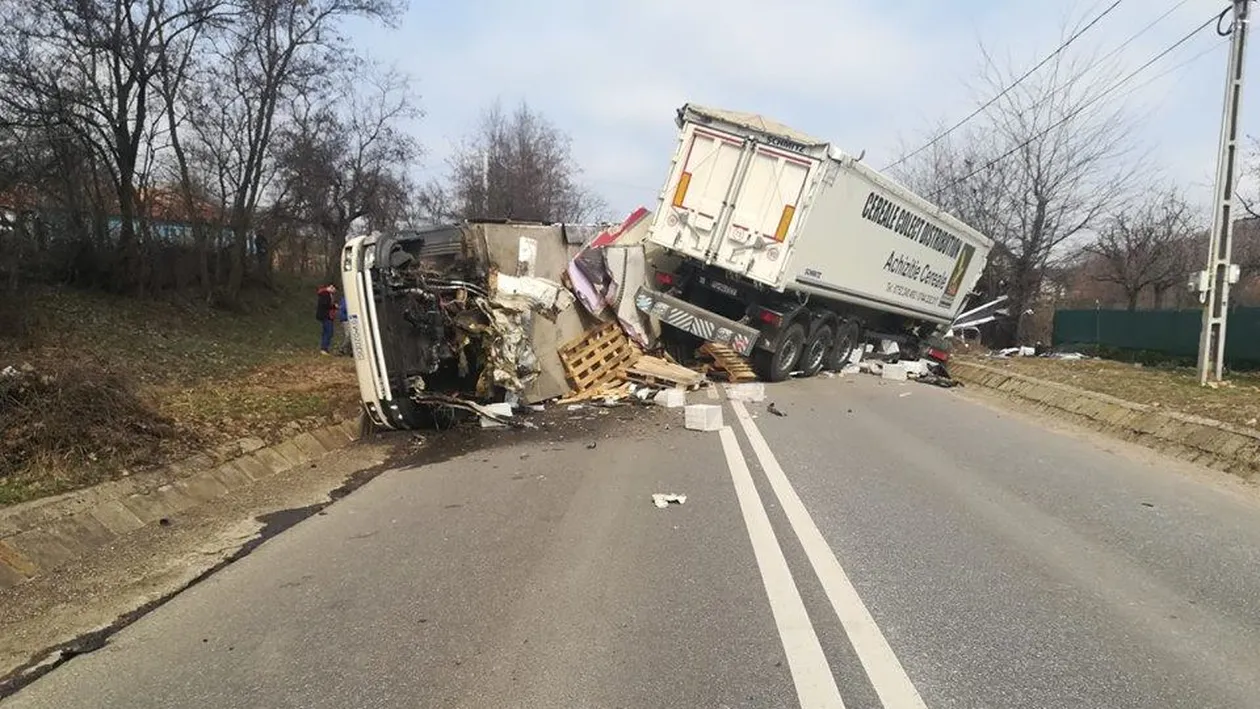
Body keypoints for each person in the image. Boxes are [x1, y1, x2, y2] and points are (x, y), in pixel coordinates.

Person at [315, 284, 338, 355]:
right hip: (326, 316)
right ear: (331, 287)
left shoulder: (325, 294)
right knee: (329, 332)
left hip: (326, 315)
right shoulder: (325, 294)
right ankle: (324, 348)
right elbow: (325, 304)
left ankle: (324, 348)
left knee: (326, 332)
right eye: (334, 289)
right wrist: (334, 306)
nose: (335, 291)